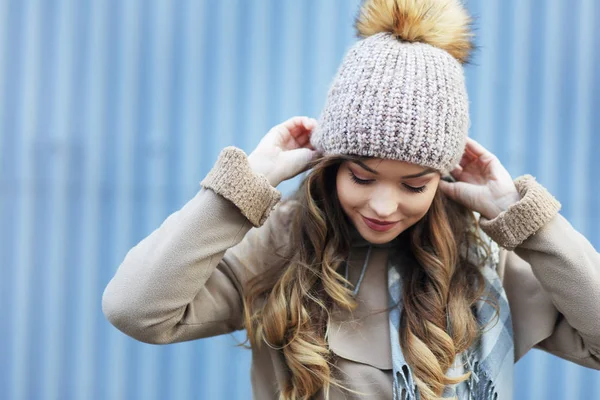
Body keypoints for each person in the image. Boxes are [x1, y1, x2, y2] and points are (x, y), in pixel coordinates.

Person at [102, 0, 600, 399]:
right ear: (332, 166)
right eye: (362, 177)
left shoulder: (487, 263)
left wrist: (528, 223)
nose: (384, 207)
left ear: (441, 179)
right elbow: (137, 310)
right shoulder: (278, 245)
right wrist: (240, 191)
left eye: (413, 185)